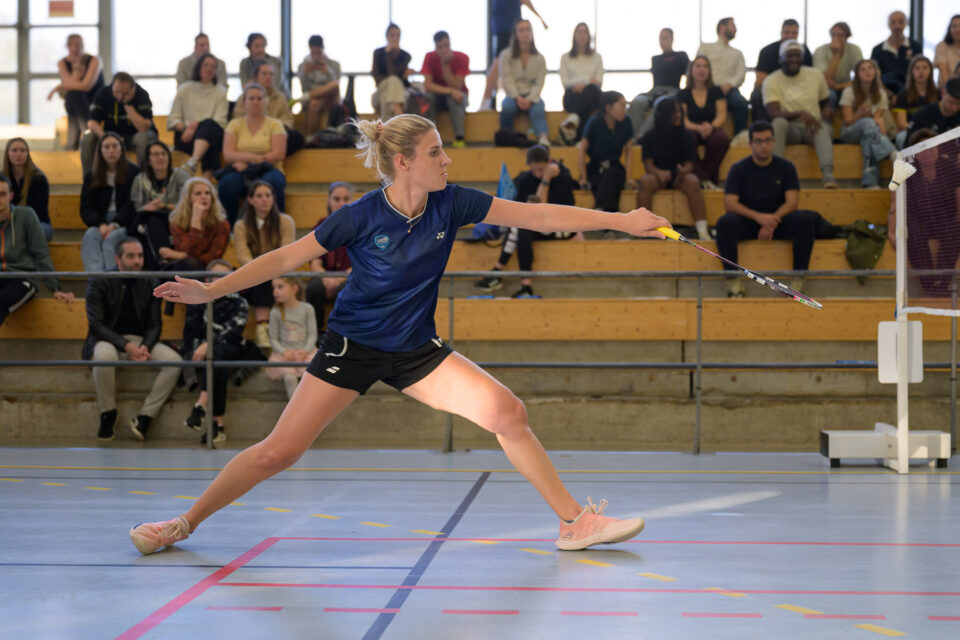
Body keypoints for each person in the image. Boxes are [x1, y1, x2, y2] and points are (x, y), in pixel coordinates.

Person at [134, 112, 670, 556]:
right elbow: (283, 257)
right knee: (280, 453)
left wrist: (621, 222)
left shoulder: (451, 201)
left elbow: (534, 215)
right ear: (404, 161)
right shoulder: (361, 216)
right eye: (436, 152)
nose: (446, 160)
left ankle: (574, 522)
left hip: (416, 349)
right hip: (354, 348)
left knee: (509, 413)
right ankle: (182, 524)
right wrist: (212, 290)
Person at [84, 236, 182, 442]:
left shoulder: (150, 281)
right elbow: (96, 325)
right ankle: (108, 413)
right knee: (103, 358)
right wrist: (126, 346)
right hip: (108, 339)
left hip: (140, 341)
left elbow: (156, 324)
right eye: (131, 256)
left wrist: (145, 346)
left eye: (140, 256)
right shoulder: (100, 281)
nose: (137, 261)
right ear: (117, 259)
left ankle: (145, 417)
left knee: (175, 362)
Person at [716, 121, 816, 297]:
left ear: (774, 142)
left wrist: (771, 220)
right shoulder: (738, 169)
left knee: (805, 221)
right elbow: (730, 203)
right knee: (725, 223)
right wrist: (759, 218)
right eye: (759, 141)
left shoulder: (786, 167)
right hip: (748, 221)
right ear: (750, 144)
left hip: (779, 220)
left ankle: (799, 279)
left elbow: (792, 202)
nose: (764, 145)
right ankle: (733, 281)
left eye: (768, 140)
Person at [475, 145, 581, 297]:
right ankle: (524, 285)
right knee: (521, 227)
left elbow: (547, 210)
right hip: (536, 228)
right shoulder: (525, 179)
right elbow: (521, 212)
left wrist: (546, 180)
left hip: (561, 226)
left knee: (521, 227)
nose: (537, 174)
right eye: (534, 170)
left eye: (541, 170)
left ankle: (498, 272)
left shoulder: (563, 178)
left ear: (550, 163)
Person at [180, 259, 251, 445]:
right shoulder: (197, 301)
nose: (220, 280)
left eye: (225, 277)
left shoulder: (240, 302)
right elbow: (190, 331)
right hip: (206, 350)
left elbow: (233, 332)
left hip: (232, 347)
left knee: (218, 355)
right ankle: (217, 425)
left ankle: (200, 406)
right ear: (207, 279)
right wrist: (199, 348)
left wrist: (208, 345)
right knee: (217, 363)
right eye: (216, 276)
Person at [887, 128, 960, 297]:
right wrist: (891, 231)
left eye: (931, 148)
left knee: (955, 230)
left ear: (938, 149)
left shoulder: (950, 168)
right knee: (912, 230)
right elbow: (894, 202)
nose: (927, 152)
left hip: (945, 221)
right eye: (922, 149)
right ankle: (929, 283)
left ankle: (942, 280)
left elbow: (959, 202)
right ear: (914, 153)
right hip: (918, 221)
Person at [0, 175, 73, 326]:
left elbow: (41, 252)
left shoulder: (26, 215)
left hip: (22, 278)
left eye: (2, 194)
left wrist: (55, 288)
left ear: (11, 196)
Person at [763, 40, 837, 188]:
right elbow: (773, 113)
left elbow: (825, 102)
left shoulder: (815, 75)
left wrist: (827, 111)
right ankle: (773, 175)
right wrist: (800, 113)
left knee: (821, 127)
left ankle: (828, 176)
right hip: (790, 130)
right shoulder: (771, 80)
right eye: (789, 56)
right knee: (778, 123)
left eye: (797, 55)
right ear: (780, 58)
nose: (794, 59)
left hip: (813, 128)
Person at [233, 180, 295, 349]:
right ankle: (262, 329)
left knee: (267, 279)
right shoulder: (241, 225)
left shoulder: (285, 221)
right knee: (260, 278)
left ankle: (263, 328)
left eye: (268, 195)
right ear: (250, 200)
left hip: (280, 272)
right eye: (259, 196)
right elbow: (243, 257)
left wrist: (268, 270)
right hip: (252, 275)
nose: (264, 199)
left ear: (274, 198)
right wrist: (263, 270)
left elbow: (287, 253)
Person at [637, 97, 708, 240]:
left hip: (679, 177)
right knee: (645, 181)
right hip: (657, 177)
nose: (679, 115)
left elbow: (689, 165)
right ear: (664, 114)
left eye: (680, 112)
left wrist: (682, 172)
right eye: (674, 112)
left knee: (692, 181)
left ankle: (703, 230)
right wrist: (660, 173)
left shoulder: (687, 136)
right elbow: (648, 164)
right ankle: (644, 230)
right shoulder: (650, 136)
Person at [219, 84, 288, 225]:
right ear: (244, 102)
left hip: (269, 168)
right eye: (251, 98)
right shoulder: (234, 124)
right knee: (227, 184)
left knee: (274, 182)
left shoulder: (276, 124)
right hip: (240, 169)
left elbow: (278, 154)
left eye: (259, 98)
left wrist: (250, 160)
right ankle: (229, 229)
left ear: (265, 101)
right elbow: (228, 154)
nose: (255, 102)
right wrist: (255, 158)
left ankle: (277, 226)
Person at [80, 133, 140, 272]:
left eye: (114, 146)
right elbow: (86, 208)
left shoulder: (133, 173)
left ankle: (111, 280)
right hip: (100, 222)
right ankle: (97, 280)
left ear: (121, 149)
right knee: (90, 235)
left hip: (124, 222)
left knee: (112, 239)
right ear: (100, 151)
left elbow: (132, 205)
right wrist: (100, 224)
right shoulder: (92, 176)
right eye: (106, 147)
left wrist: (115, 224)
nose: (111, 151)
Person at [79, 72, 157, 175]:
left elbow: (143, 128)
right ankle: (89, 180)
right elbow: (92, 123)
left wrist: (127, 104)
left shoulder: (141, 95)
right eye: (116, 92)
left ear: (133, 89)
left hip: (134, 137)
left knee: (143, 137)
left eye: (124, 93)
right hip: (110, 136)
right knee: (87, 138)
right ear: (112, 86)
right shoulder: (104, 93)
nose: (120, 97)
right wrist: (107, 138)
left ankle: (143, 179)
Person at [129, 141, 191, 270]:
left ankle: (162, 262)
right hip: (149, 221)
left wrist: (166, 206)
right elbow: (136, 209)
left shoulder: (181, 177)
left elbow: (189, 204)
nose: (161, 157)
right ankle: (163, 261)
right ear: (148, 161)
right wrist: (148, 207)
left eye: (164, 154)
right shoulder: (139, 180)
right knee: (151, 219)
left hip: (177, 219)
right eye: (156, 154)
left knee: (153, 219)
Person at [168, 53, 229, 178]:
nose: (209, 69)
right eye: (206, 65)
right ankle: (205, 185)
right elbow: (173, 119)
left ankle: (193, 162)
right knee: (209, 144)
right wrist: (186, 129)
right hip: (185, 136)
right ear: (198, 67)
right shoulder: (184, 89)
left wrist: (196, 126)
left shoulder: (220, 92)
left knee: (209, 130)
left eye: (213, 66)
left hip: (209, 133)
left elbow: (220, 121)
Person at [839, 59, 897, 188]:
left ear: (876, 72)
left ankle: (870, 182)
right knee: (867, 123)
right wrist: (860, 115)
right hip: (849, 133)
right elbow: (848, 121)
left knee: (869, 139)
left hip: (869, 132)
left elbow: (876, 120)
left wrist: (878, 120)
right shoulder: (848, 91)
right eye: (863, 69)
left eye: (870, 68)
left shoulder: (881, 94)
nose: (867, 72)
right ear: (857, 74)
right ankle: (892, 152)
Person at [481, 0, 548, 111]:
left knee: (500, 64)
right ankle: (485, 103)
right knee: (498, 64)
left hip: (502, 26)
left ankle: (487, 102)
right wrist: (540, 18)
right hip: (506, 28)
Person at [306, 182, 353, 336]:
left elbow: (360, 263)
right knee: (313, 288)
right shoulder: (321, 225)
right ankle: (317, 334)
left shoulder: (360, 225)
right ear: (329, 201)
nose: (341, 203)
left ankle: (342, 334)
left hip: (350, 277)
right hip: (324, 276)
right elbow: (315, 261)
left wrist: (338, 279)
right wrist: (325, 278)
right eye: (337, 199)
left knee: (344, 290)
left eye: (345, 199)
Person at [678, 55, 731, 188]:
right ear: (691, 70)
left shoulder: (717, 91)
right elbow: (682, 119)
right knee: (685, 139)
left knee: (722, 139)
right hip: (691, 128)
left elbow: (721, 115)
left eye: (705, 66)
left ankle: (708, 181)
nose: (702, 69)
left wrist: (711, 127)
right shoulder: (683, 94)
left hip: (711, 127)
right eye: (698, 66)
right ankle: (706, 180)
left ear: (709, 71)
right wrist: (698, 128)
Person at [232, 60, 305, 158]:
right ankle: (260, 155)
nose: (269, 77)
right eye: (264, 74)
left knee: (296, 137)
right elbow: (238, 116)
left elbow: (287, 119)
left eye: (271, 74)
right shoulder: (245, 96)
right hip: (250, 134)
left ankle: (265, 155)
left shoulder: (280, 97)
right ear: (256, 77)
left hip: (274, 135)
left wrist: (274, 130)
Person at [578, 91, 635, 213]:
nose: (625, 110)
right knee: (604, 182)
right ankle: (609, 220)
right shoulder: (594, 122)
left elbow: (629, 151)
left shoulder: (627, 122)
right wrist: (583, 178)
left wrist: (629, 177)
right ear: (608, 108)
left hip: (615, 168)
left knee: (611, 175)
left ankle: (600, 212)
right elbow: (581, 149)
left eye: (626, 106)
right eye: (622, 105)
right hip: (595, 168)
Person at [628, 28, 688, 140]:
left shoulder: (681, 56)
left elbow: (690, 74)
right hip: (655, 91)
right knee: (637, 102)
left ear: (672, 39)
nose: (662, 41)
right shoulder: (655, 59)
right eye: (660, 38)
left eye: (665, 38)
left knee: (660, 104)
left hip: (672, 91)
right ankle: (629, 138)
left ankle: (640, 137)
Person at [48, 33, 104, 150]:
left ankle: (74, 143)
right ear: (67, 47)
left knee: (74, 96)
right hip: (76, 104)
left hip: (95, 103)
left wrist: (59, 87)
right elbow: (70, 87)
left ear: (82, 46)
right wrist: (77, 70)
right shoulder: (62, 62)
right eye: (71, 45)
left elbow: (86, 86)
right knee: (73, 95)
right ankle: (87, 136)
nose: (74, 48)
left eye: (77, 45)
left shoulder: (94, 60)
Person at [499, 19, 549, 147]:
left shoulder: (540, 58)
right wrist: (518, 97)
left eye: (528, 29)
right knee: (507, 107)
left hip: (532, 95)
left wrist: (530, 99)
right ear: (515, 34)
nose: (525, 33)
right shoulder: (505, 55)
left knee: (538, 108)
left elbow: (539, 82)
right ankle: (507, 137)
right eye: (521, 30)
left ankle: (543, 137)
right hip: (513, 95)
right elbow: (507, 79)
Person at [752, 19, 813, 123]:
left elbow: (810, 78)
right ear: (781, 33)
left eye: (794, 33)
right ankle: (762, 129)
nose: (790, 36)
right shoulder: (767, 51)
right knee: (757, 96)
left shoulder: (804, 51)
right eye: (786, 32)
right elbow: (760, 81)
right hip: (772, 89)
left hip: (798, 88)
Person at [266, 277, 318, 399]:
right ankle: (295, 413)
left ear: (294, 289)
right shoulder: (275, 312)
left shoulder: (307, 309)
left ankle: (309, 410)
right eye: (274, 287)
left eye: (280, 287)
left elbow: (312, 335)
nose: (275, 291)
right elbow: (273, 338)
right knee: (289, 377)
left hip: (306, 353)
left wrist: (305, 351)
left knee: (310, 376)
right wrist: (284, 352)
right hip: (284, 355)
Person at [164, 177, 230, 272]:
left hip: (210, 268)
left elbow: (214, 256)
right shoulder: (177, 222)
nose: (204, 197)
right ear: (188, 198)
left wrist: (183, 255)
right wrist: (196, 220)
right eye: (198, 193)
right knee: (189, 264)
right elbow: (188, 252)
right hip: (186, 268)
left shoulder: (222, 224)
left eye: (207, 193)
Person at [697, 18, 748, 135]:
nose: (736, 29)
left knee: (741, 104)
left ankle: (739, 138)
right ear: (722, 27)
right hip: (707, 88)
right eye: (732, 25)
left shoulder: (737, 53)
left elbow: (740, 74)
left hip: (729, 90)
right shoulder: (705, 47)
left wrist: (729, 85)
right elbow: (697, 67)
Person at [421, 31, 470, 148]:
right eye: (439, 47)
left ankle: (459, 138)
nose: (443, 50)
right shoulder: (429, 57)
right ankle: (429, 137)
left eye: (446, 46)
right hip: (438, 96)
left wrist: (445, 65)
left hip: (458, 97)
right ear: (435, 46)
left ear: (450, 44)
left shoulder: (463, 57)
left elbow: (457, 86)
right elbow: (427, 85)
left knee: (455, 99)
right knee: (427, 97)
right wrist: (451, 91)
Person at [559, 22, 604, 143]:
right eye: (579, 32)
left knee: (591, 90)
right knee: (588, 95)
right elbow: (565, 82)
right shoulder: (565, 57)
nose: (582, 35)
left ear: (589, 36)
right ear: (574, 35)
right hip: (572, 95)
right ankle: (581, 138)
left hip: (593, 95)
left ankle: (574, 120)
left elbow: (599, 82)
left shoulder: (597, 57)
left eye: (585, 32)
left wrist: (584, 84)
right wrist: (586, 80)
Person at [2, 138, 52, 241]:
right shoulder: (1, 178)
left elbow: (38, 212)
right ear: (7, 154)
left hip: (37, 224)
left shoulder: (39, 179)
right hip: (5, 223)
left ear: (27, 154)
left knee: (35, 232)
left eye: (23, 150)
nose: (19, 154)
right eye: (14, 150)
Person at [297, 35, 342, 137]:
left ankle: (307, 97)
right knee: (314, 102)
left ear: (323, 49)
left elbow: (335, 87)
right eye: (313, 53)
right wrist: (304, 73)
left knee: (334, 84)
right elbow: (304, 88)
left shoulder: (334, 65)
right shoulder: (303, 66)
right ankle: (310, 136)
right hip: (312, 101)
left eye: (319, 53)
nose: (316, 56)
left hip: (330, 99)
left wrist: (328, 72)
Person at [870, 11, 922, 96]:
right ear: (888, 25)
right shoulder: (877, 50)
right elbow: (874, 75)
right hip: (883, 93)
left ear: (907, 23)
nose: (897, 26)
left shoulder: (916, 47)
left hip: (911, 93)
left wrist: (905, 95)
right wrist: (887, 93)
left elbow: (920, 73)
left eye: (901, 22)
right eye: (893, 22)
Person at [892, 56, 940, 148]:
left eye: (925, 67)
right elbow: (902, 124)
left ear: (931, 71)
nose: (921, 71)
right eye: (917, 68)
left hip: (934, 131)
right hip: (912, 132)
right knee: (901, 136)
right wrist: (920, 131)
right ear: (911, 72)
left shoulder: (938, 93)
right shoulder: (903, 94)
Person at [813, 22, 863, 107]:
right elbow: (825, 80)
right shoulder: (820, 51)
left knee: (855, 93)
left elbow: (861, 78)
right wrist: (836, 55)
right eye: (833, 35)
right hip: (827, 87)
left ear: (847, 37)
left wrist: (838, 86)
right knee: (829, 95)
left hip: (846, 86)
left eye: (840, 35)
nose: (836, 38)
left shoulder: (854, 50)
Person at [372, 24, 413, 120]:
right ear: (386, 36)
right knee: (392, 82)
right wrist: (388, 54)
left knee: (386, 96)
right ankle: (399, 117)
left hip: (395, 94)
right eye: (392, 35)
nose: (395, 38)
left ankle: (387, 128)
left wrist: (389, 55)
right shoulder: (378, 53)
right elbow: (377, 78)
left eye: (397, 35)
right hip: (382, 89)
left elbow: (393, 74)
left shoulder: (406, 56)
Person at [240, 33, 287, 98]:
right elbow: (245, 87)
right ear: (249, 47)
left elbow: (274, 84)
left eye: (262, 46)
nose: (260, 49)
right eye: (256, 46)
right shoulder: (245, 63)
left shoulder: (275, 61)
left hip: (277, 97)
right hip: (255, 97)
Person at [935, 16, 960, 90]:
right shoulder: (942, 46)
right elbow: (944, 76)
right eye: (954, 26)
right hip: (947, 91)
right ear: (949, 29)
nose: (957, 30)